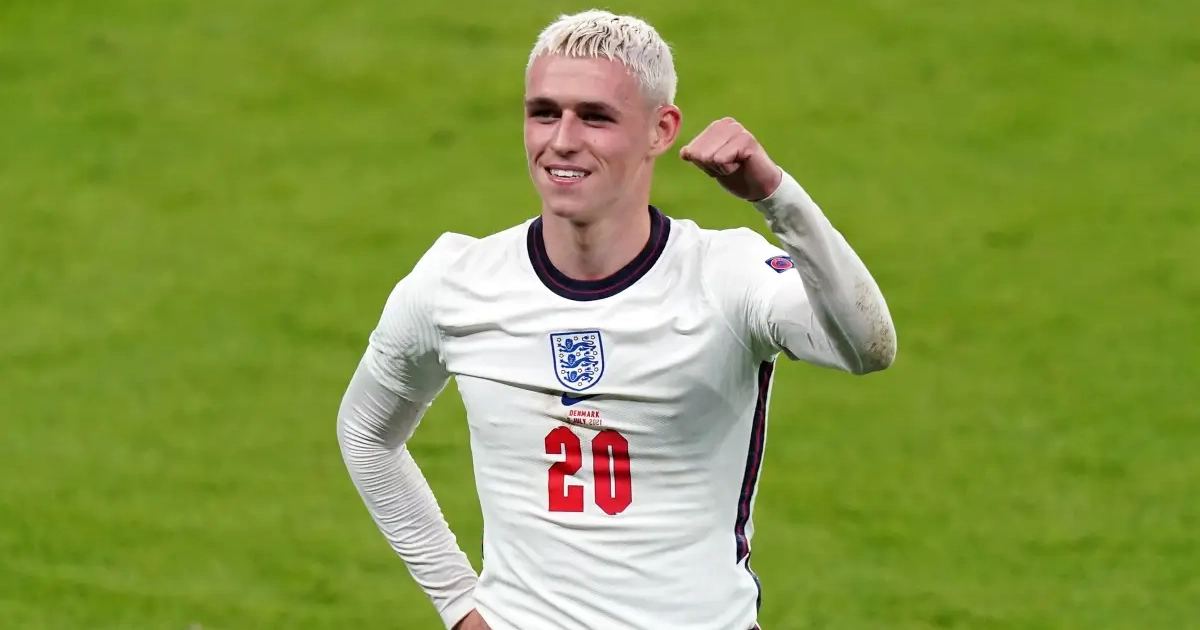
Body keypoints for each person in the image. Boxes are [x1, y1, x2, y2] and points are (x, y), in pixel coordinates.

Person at [336, 9, 896, 630]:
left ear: (661, 129)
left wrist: (777, 197)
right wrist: (457, 603)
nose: (562, 140)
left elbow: (867, 348)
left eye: (595, 116)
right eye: (543, 112)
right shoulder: (455, 283)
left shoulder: (727, 276)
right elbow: (365, 434)